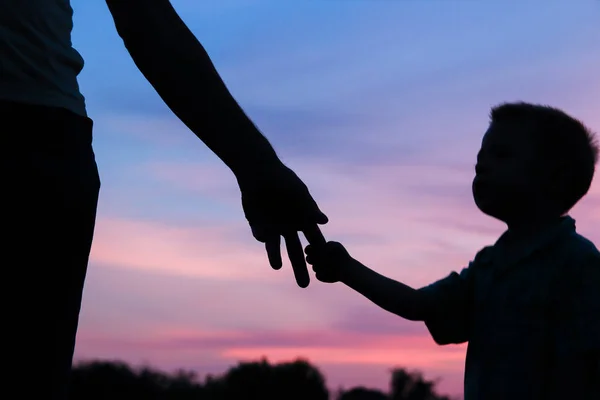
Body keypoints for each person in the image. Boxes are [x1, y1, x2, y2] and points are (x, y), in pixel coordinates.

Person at [1, 0, 327, 398]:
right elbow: (148, 20)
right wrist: (255, 162)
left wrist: (256, 163)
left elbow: (148, 20)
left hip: (39, 145)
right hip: (41, 146)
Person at [306, 102, 600, 400]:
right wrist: (346, 269)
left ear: (555, 177)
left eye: (501, 155)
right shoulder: (489, 266)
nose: (482, 166)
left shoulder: (579, 264)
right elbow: (418, 304)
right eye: (480, 159)